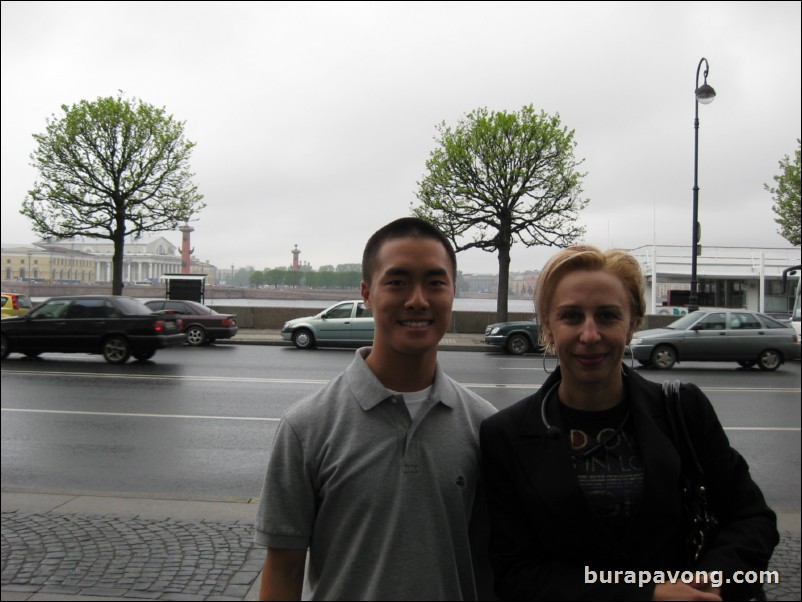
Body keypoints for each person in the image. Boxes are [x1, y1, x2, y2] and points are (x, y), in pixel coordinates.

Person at [479, 245, 778, 601]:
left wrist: (710, 579)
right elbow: (517, 574)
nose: (590, 335)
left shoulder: (682, 409)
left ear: (633, 323)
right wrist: (646, 593)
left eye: (607, 316)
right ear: (548, 326)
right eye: (572, 317)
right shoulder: (505, 435)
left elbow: (751, 518)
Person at [254, 217, 497, 601]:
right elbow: (283, 568)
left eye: (435, 283)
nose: (417, 299)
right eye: (397, 282)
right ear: (367, 294)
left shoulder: (486, 426)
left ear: (453, 293)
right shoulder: (305, 427)